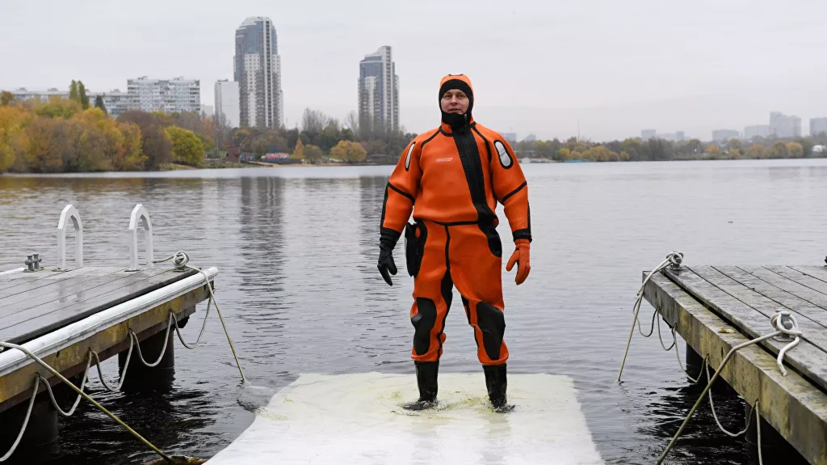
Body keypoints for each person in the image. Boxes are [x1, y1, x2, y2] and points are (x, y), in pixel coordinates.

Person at [377, 74, 532, 413]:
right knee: (425, 321)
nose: (454, 101)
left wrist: (523, 243)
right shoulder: (421, 146)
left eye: (461, 95)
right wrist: (385, 244)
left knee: (489, 321)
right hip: (429, 243)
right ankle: (426, 398)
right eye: (448, 95)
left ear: (470, 101)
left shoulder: (491, 142)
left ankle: (499, 402)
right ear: (440, 102)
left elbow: (515, 193)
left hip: (476, 242)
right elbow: (399, 194)